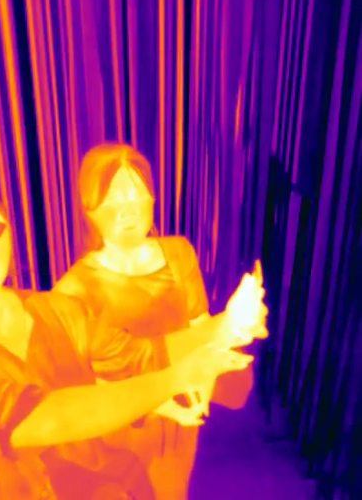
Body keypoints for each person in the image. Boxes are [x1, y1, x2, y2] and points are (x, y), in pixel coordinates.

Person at [0, 165, 241, 500]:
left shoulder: (58, 309)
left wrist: (225, 325)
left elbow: (135, 356)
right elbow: (46, 418)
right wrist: (171, 380)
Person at [54, 142, 268, 500]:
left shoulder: (178, 253)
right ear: (89, 209)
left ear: (152, 198)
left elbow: (200, 327)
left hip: (182, 418)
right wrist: (162, 400)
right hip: (121, 428)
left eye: (137, 195)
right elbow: (85, 384)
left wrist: (236, 331)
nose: (128, 210)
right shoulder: (74, 290)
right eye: (113, 199)